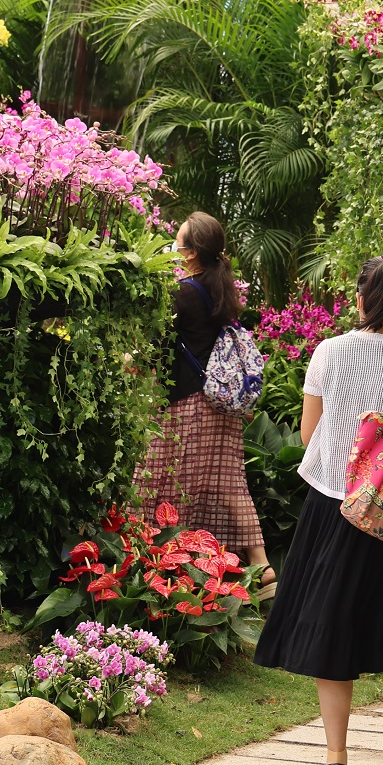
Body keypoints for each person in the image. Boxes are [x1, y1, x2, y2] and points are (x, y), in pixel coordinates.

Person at [253, 254, 383, 765]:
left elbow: (308, 434)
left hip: (334, 506)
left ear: (360, 299)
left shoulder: (327, 352)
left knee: (331, 626)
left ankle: (337, 757)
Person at [132, 212, 272, 592]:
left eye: (177, 242)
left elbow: (155, 348)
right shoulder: (217, 287)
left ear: (191, 253)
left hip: (189, 404)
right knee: (229, 484)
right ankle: (261, 565)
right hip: (220, 405)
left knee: (156, 476)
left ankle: (153, 560)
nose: (172, 248)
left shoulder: (183, 292)